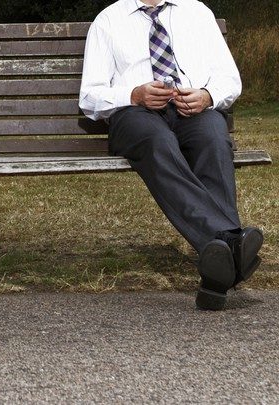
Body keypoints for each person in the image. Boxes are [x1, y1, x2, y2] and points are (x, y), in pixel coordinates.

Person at [79, 0, 263, 310]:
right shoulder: (108, 20)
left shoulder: (197, 13)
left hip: (192, 109)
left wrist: (207, 96)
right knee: (158, 141)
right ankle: (232, 241)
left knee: (214, 138)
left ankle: (217, 279)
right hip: (134, 114)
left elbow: (228, 78)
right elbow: (90, 95)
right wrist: (133, 94)